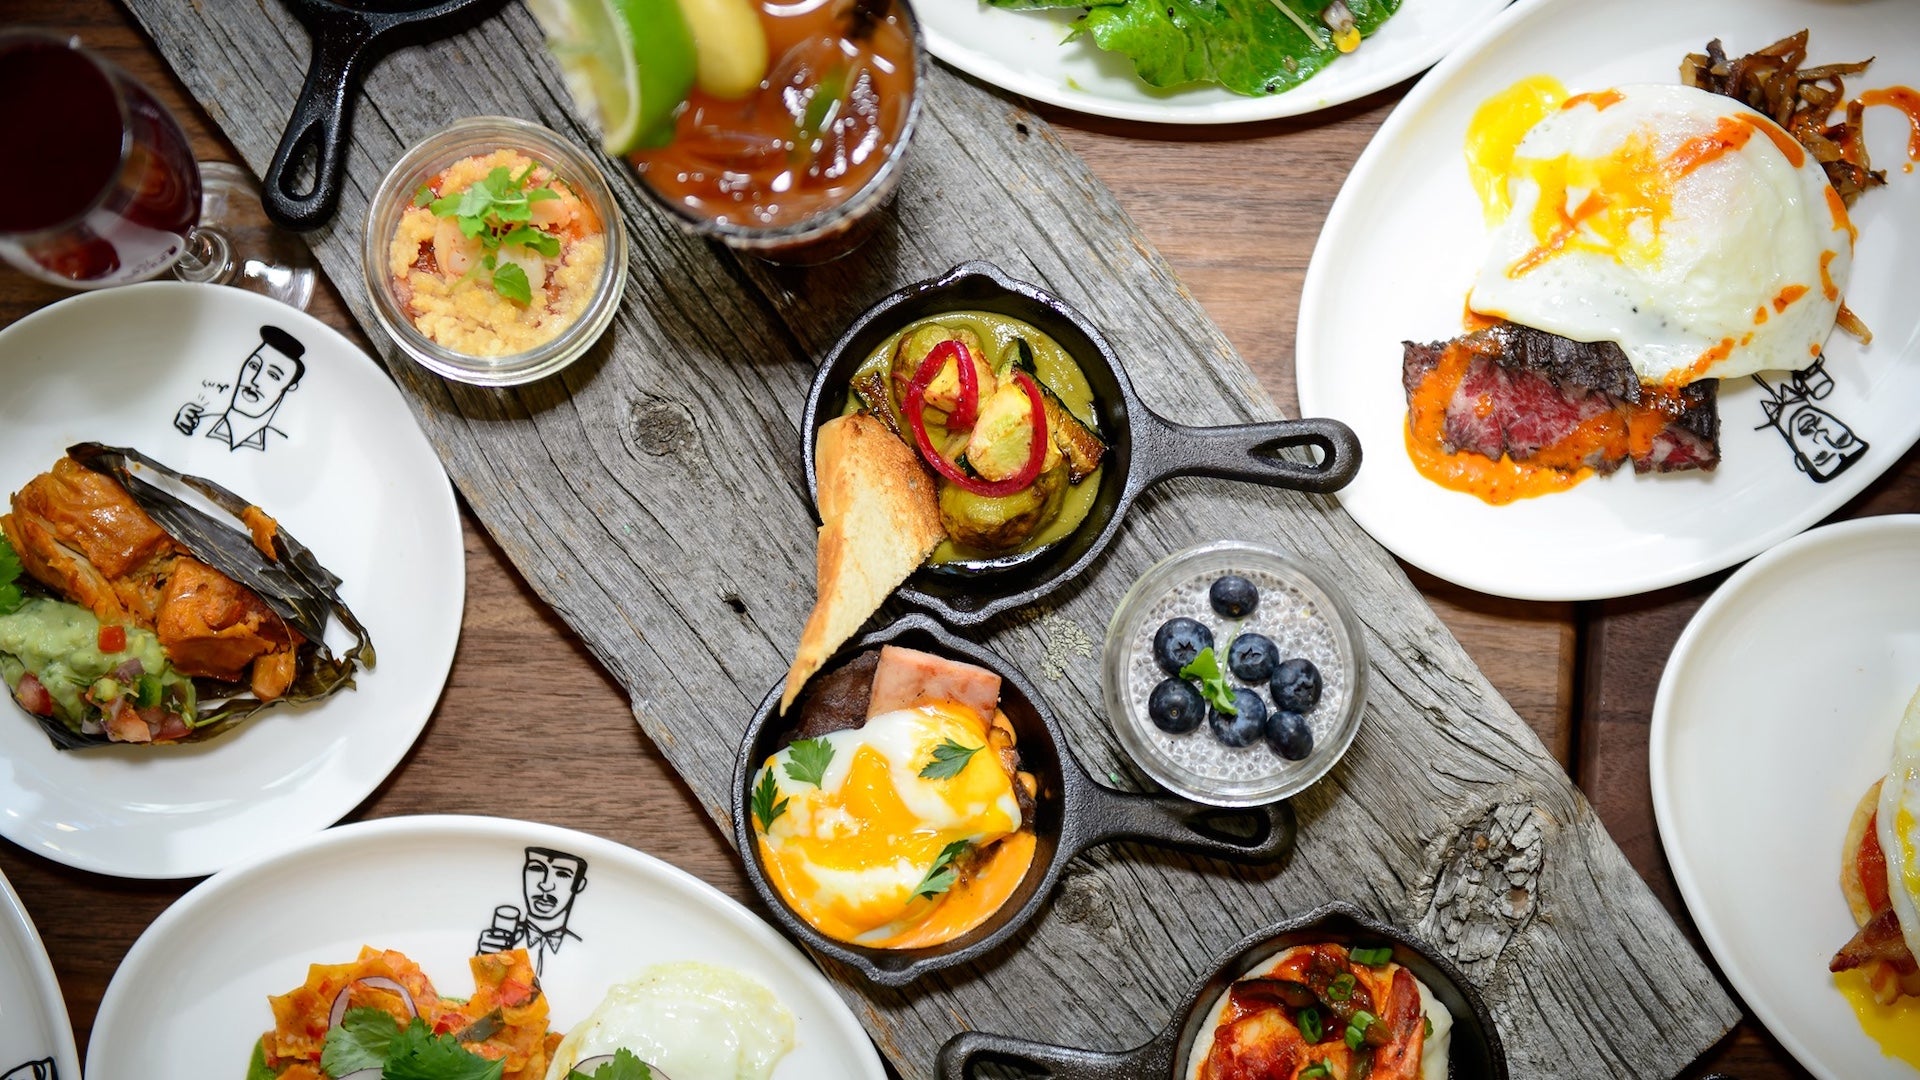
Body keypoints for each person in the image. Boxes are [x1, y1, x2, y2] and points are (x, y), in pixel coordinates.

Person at [173, 325, 306, 451]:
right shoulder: (195, 425)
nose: (255, 380)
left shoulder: (281, 446)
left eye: (273, 375)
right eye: (253, 366)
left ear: (290, 386)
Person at [474, 846, 588, 974]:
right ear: (523, 873)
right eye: (536, 868)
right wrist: (485, 961)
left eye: (562, 874)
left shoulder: (584, 949)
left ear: (579, 884)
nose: (546, 885)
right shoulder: (505, 941)